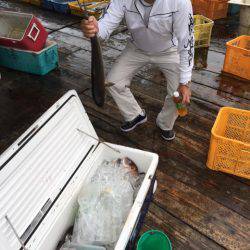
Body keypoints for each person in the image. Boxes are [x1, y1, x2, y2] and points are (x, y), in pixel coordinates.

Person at [81, 0, 194, 141]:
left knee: (178, 94)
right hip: (137, 47)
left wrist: (185, 82)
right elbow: (104, 27)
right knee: (113, 82)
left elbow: (186, 41)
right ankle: (135, 115)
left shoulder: (180, 2)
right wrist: (94, 29)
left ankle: (165, 123)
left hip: (169, 50)